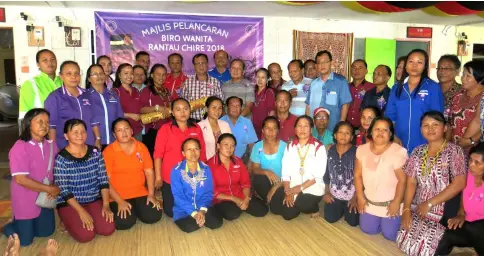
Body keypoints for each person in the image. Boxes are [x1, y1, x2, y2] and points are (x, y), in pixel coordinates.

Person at [396, 111, 467, 256]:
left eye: (435, 124)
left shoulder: (454, 151)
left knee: (426, 249)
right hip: (418, 204)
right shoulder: (417, 151)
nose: (430, 129)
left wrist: (429, 203)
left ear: (445, 128)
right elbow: (411, 182)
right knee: (403, 242)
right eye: (425, 125)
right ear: (421, 129)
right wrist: (407, 209)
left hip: (443, 206)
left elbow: (460, 183)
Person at [3, 109, 59, 246]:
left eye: (47, 122)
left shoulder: (52, 145)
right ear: (28, 123)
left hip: (44, 199)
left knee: (46, 232)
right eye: (39, 121)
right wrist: (49, 189)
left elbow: (56, 170)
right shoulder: (20, 147)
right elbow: (20, 179)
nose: (44, 125)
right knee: (25, 241)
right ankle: (8, 226)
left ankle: (23, 224)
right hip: (25, 199)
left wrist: (55, 185)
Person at [54, 119, 115, 243]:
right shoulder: (61, 158)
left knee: (108, 229)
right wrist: (81, 211)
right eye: (75, 132)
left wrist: (106, 204)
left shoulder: (95, 152)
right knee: (86, 236)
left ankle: (89, 213)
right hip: (70, 202)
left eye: (83, 131)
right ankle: (66, 219)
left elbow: (103, 180)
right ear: (66, 136)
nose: (80, 135)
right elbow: (64, 190)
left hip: (93, 198)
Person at [103, 118, 162, 230]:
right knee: (124, 223)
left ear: (131, 131)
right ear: (114, 135)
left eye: (126, 129)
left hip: (140, 192)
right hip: (118, 195)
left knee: (153, 216)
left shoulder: (141, 147)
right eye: (119, 130)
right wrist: (120, 201)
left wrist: (151, 194)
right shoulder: (108, 151)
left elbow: (149, 172)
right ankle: (132, 210)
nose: (124, 132)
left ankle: (136, 209)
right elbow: (105, 180)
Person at [354, 117, 408, 241]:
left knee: (390, 235)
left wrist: (396, 202)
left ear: (390, 134)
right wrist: (360, 197)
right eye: (377, 129)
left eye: (385, 130)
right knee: (368, 229)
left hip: (391, 204)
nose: (380, 132)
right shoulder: (361, 150)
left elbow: (403, 180)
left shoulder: (399, 152)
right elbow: (357, 175)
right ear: (371, 131)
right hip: (369, 201)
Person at [153, 98, 207, 217]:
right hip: (171, 177)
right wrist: (158, 177)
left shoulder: (196, 128)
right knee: (170, 211)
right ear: (172, 112)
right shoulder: (165, 129)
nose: (182, 112)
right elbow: (158, 155)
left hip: (192, 175)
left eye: (185, 109)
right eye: (178, 109)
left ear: (190, 110)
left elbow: (202, 152)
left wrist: (202, 172)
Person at [386, 49, 444, 153]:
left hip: (425, 142)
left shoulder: (432, 87)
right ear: (406, 65)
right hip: (399, 141)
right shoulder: (397, 88)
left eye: (419, 62)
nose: (414, 65)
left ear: (425, 66)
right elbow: (390, 116)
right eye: (411, 61)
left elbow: (438, 118)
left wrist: (434, 143)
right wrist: (393, 136)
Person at [270, 115, 327, 220]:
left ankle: (314, 208)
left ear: (311, 129)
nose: (302, 129)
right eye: (299, 126)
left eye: (306, 126)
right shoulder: (290, 146)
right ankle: (296, 202)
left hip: (311, 187)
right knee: (275, 208)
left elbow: (318, 174)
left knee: (299, 208)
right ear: (295, 129)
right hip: (292, 185)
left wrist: (298, 189)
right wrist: (287, 191)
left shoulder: (319, 147)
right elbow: (285, 171)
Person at [435, 142, 484, 255]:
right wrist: (461, 212)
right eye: (470, 160)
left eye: (477, 162)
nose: (471, 165)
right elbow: (464, 193)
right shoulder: (469, 175)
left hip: (480, 232)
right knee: (445, 234)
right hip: (467, 226)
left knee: (476, 228)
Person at [208, 133, 269, 220]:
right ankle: (234, 207)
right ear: (218, 145)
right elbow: (212, 191)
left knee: (262, 210)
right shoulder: (210, 165)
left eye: (232, 146)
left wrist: (246, 199)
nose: (229, 148)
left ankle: (242, 205)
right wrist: (234, 199)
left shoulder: (238, 161)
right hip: (222, 198)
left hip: (240, 194)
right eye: (226, 144)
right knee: (232, 214)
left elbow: (246, 183)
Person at [44, 61, 102, 150]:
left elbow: (94, 120)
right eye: (69, 73)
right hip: (65, 147)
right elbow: (52, 126)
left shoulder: (88, 94)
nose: (73, 77)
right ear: (61, 76)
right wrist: (53, 148)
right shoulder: (54, 97)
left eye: (76, 73)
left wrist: (98, 138)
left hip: (88, 144)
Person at [171, 138, 223, 233]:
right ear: (183, 153)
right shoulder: (176, 170)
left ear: (200, 150)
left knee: (217, 223)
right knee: (190, 227)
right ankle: (199, 219)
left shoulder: (206, 169)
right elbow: (178, 196)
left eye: (196, 148)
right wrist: (194, 213)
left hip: (202, 206)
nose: (193, 152)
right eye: (189, 149)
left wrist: (202, 211)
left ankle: (201, 217)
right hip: (184, 210)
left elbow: (208, 193)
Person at [306, 50, 352, 132]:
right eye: (319, 63)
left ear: (331, 63)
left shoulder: (341, 81)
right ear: (316, 66)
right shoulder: (313, 83)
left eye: (325, 62)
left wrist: (341, 126)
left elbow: (345, 105)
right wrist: (307, 124)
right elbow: (308, 106)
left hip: (333, 127)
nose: (322, 65)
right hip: (315, 129)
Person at [323, 121, 358, 226]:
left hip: (352, 196)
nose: (343, 135)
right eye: (340, 132)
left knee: (353, 222)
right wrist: (327, 192)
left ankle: (346, 209)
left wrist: (356, 197)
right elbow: (327, 175)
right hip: (335, 194)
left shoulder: (357, 152)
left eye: (347, 133)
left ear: (352, 137)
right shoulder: (330, 150)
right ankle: (340, 208)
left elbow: (361, 177)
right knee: (330, 218)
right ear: (335, 135)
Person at [85, 64, 124, 150]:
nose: (99, 76)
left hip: (113, 141)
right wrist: (97, 138)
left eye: (101, 73)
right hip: (93, 142)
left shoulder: (113, 94)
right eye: (95, 74)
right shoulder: (85, 95)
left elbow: (120, 117)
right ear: (89, 79)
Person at [447, 60, 484, 149]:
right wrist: (447, 144)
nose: (463, 78)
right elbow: (449, 122)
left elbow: (478, 122)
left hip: (476, 149)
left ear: (480, 79)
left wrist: (470, 141)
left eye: (468, 76)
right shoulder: (458, 95)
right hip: (454, 147)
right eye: (463, 75)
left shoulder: (482, 98)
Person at [250, 116, 287, 203]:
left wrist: (277, 185)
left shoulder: (285, 147)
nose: (271, 132)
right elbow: (255, 169)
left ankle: (270, 200)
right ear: (262, 130)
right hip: (265, 182)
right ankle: (269, 198)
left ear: (278, 131)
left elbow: (291, 172)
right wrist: (266, 172)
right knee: (258, 179)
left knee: (276, 208)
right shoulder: (257, 146)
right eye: (267, 128)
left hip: (282, 183)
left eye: (274, 128)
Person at [19, 49, 62, 120]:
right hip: (42, 128)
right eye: (45, 60)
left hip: (64, 127)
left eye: (52, 59)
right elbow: (24, 114)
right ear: (38, 64)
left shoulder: (64, 81)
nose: (50, 63)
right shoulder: (30, 84)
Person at [140, 64, 172, 157]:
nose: (161, 77)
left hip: (167, 130)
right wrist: (157, 108)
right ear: (152, 75)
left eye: (164, 74)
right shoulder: (146, 91)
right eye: (158, 74)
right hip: (152, 131)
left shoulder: (167, 91)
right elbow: (140, 109)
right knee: (154, 158)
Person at [181, 53, 224, 122]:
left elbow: (221, 101)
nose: (201, 65)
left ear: (207, 64)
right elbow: (183, 103)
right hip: (192, 122)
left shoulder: (215, 82)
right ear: (194, 66)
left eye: (203, 63)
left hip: (211, 121)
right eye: (198, 63)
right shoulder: (187, 83)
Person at [111, 63, 144, 141]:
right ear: (119, 75)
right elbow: (112, 112)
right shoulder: (115, 92)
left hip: (137, 130)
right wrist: (129, 115)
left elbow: (140, 109)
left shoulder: (136, 90)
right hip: (123, 132)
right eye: (126, 73)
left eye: (131, 73)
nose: (129, 76)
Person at [347, 59, 375, 129]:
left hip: (365, 127)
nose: (357, 71)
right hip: (347, 127)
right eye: (354, 68)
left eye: (360, 68)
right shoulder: (345, 87)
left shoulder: (372, 88)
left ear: (366, 71)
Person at [252, 68, 276, 139]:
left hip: (264, 128)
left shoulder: (269, 92)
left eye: (263, 77)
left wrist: (268, 127)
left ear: (267, 79)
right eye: (258, 77)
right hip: (254, 127)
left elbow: (272, 111)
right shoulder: (253, 92)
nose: (260, 80)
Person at [437, 55, 462, 120]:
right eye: (439, 68)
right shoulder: (430, 89)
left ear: (457, 71)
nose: (441, 71)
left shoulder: (463, 92)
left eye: (446, 68)